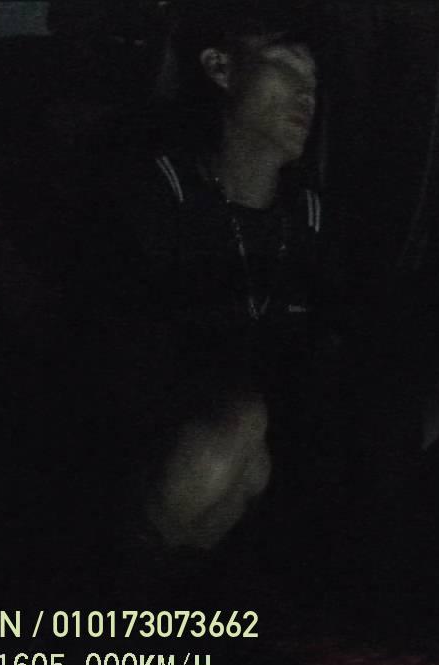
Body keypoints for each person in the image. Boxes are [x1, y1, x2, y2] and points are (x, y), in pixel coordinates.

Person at [67, 1, 346, 554]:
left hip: (260, 482)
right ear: (220, 67)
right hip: (149, 450)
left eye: (314, 78)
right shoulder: (157, 193)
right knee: (240, 424)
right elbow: (112, 359)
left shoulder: (311, 220)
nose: (307, 91)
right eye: (287, 63)